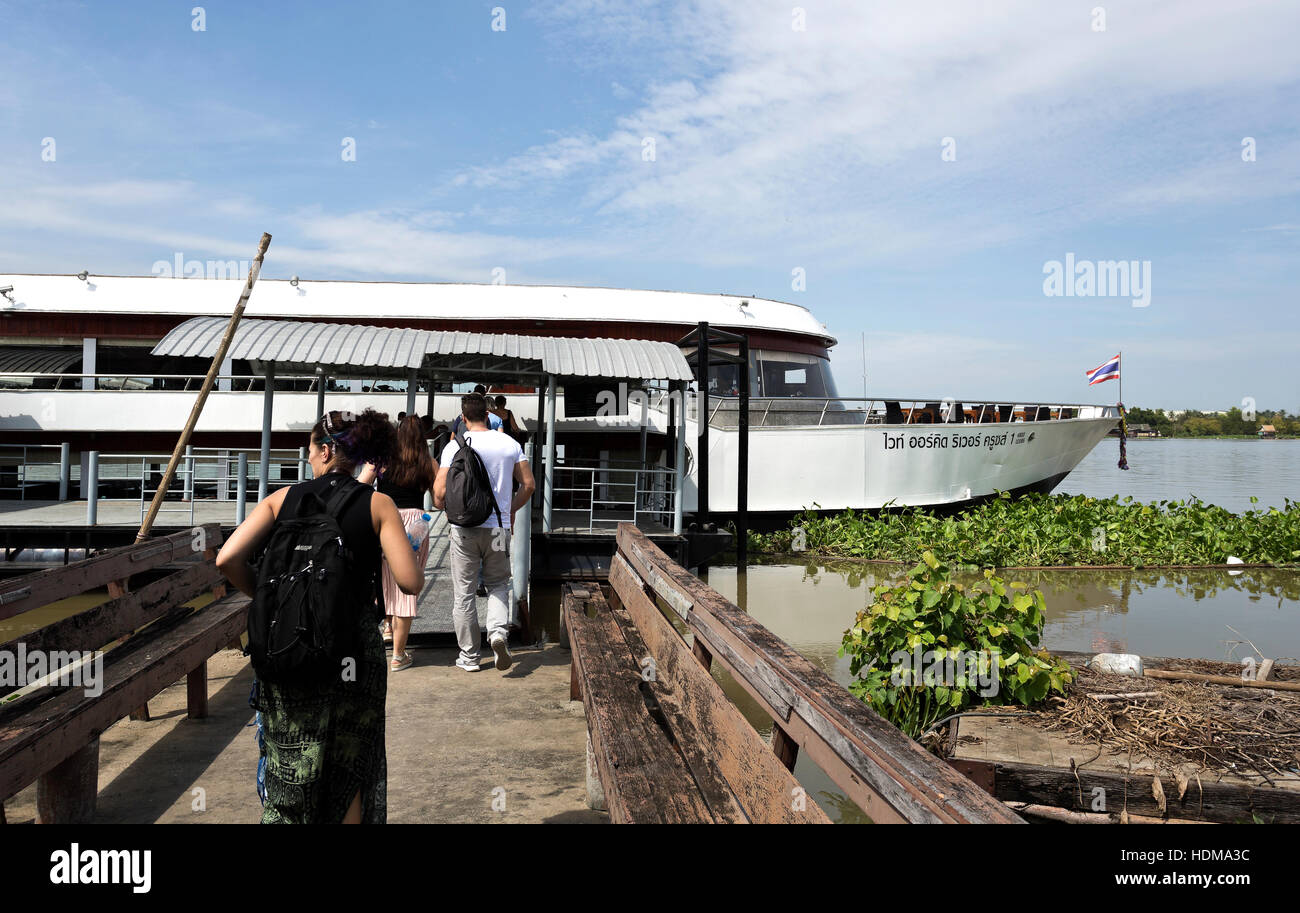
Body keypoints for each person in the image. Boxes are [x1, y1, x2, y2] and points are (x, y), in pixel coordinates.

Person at [215, 409, 423, 824]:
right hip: (352, 652)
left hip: (290, 644)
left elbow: (227, 558)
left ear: (326, 451)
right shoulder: (378, 504)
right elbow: (410, 582)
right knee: (349, 765)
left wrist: (277, 599)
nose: (308, 458)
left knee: (288, 767)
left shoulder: (281, 499)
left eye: (310, 450)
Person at [434, 394, 535, 672]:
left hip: (463, 529)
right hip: (499, 529)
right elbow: (528, 485)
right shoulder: (509, 444)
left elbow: (439, 495)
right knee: (499, 584)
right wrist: (510, 510)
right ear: (490, 415)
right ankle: (498, 634)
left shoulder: (454, 447)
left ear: (463, 418)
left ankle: (469, 657)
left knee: (464, 593)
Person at [358, 415, 438, 672]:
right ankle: (399, 655)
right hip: (417, 522)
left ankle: (387, 626)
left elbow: (360, 484)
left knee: (383, 577)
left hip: (386, 520)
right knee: (406, 587)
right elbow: (438, 501)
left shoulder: (382, 457)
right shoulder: (428, 462)